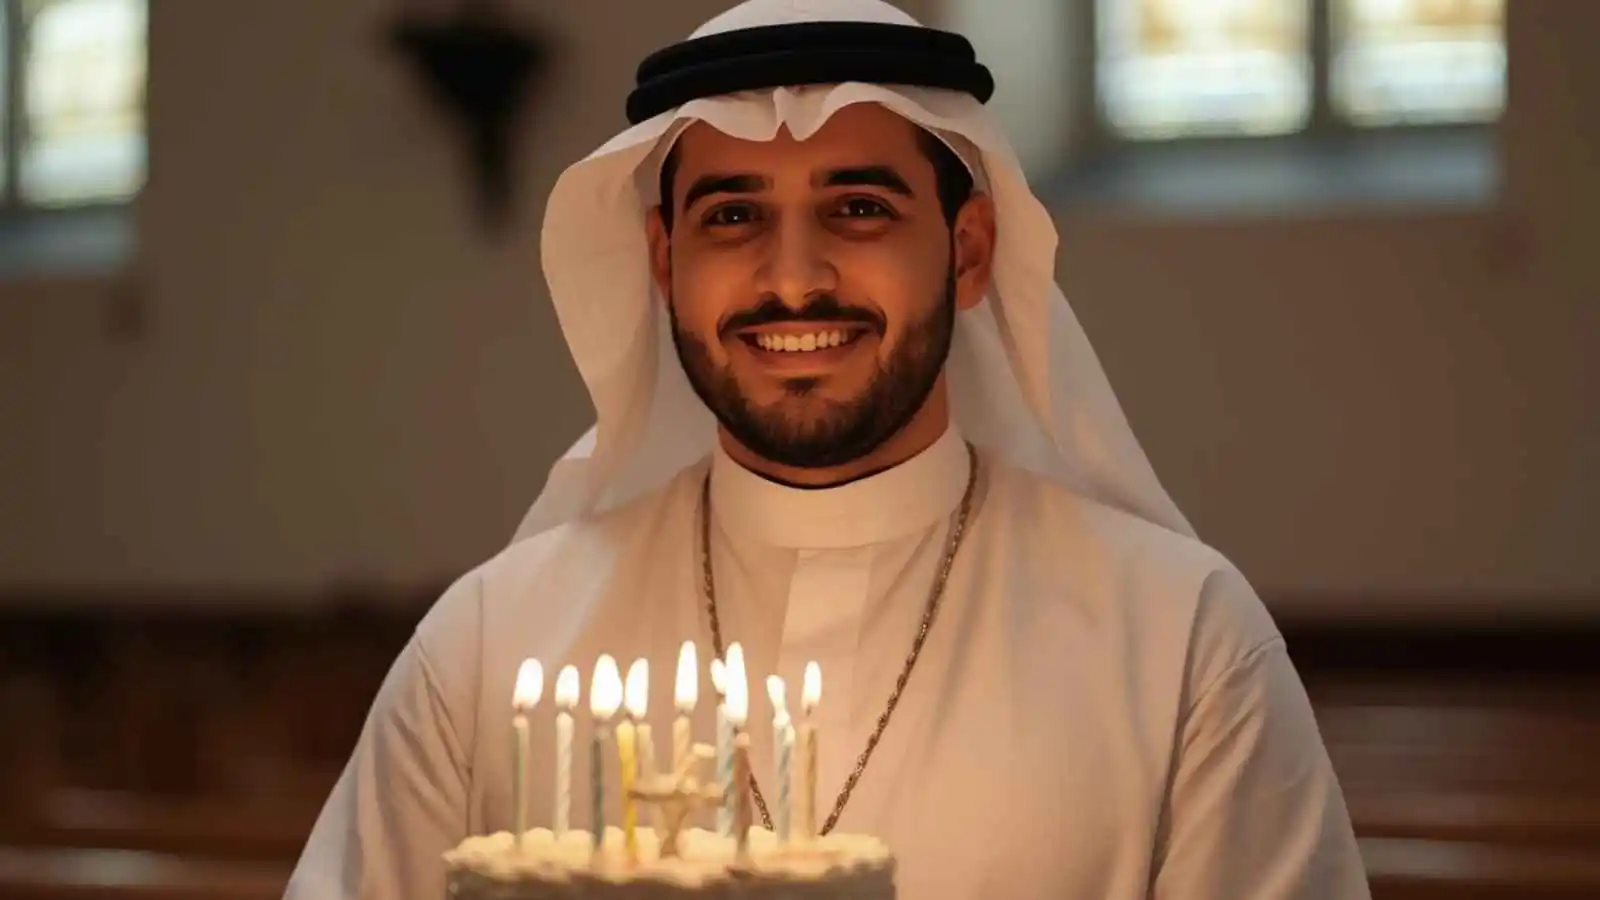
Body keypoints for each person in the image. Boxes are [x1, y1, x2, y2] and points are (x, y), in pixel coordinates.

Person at [284, 1, 1371, 898]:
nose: (792, 278)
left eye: (857, 208)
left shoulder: (1182, 646)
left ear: (971, 248)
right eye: (730, 217)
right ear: (664, 261)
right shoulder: (487, 647)